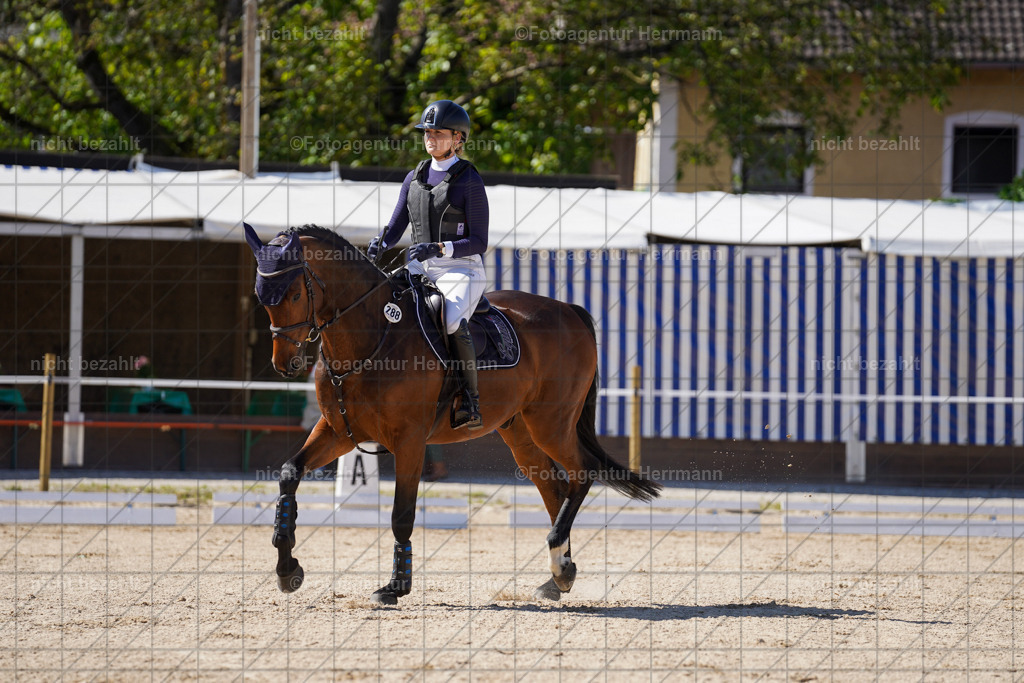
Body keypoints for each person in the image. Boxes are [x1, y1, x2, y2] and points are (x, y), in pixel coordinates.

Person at [368, 100, 488, 430]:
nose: (430, 138)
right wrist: (381, 243)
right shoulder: (414, 176)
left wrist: (438, 247)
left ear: (458, 139)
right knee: (381, 302)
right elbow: (396, 226)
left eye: (438, 133)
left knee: (450, 319)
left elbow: (480, 240)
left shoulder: (469, 181)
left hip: (462, 268)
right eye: (427, 132)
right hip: (422, 268)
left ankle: (470, 399)